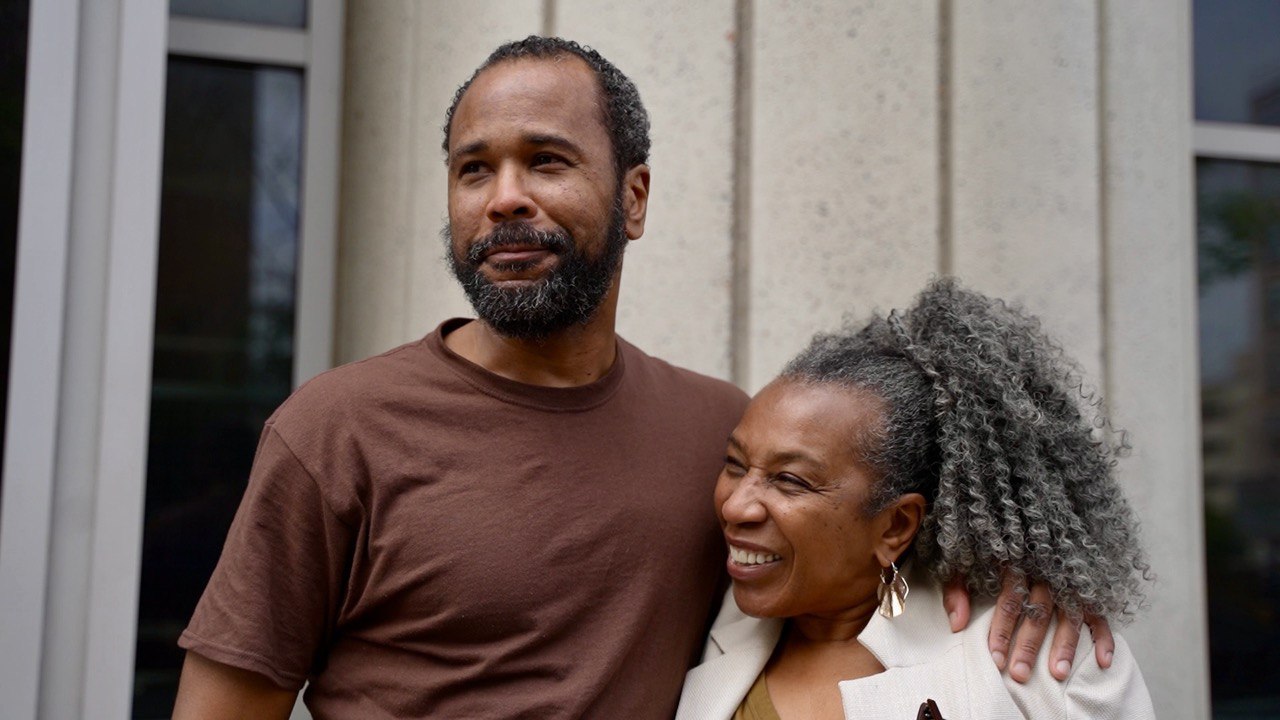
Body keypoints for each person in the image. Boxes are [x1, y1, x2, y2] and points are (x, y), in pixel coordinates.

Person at [171, 37, 1102, 719]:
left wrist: (1014, 577)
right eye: (472, 170)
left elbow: (855, 555)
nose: (503, 197)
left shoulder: (721, 437)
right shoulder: (335, 430)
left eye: (545, 160)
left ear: (634, 197)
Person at [676, 278, 1155, 720]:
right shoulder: (700, 613)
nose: (736, 506)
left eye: (790, 480)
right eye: (735, 464)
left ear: (896, 526)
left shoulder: (1048, 663)